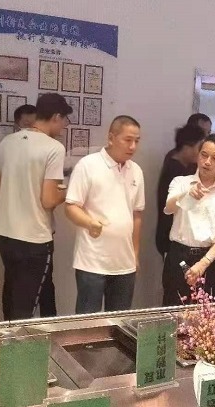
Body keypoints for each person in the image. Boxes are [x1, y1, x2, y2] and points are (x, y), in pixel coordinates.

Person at [0, 93, 71, 320]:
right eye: (64, 120)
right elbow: (48, 200)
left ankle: (8, 340)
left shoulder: (8, 142)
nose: (64, 126)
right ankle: (21, 343)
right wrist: (68, 190)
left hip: (6, 235)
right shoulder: (53, 148)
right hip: (34, 239)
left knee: (11, 295)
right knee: (26, 308)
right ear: (56, 117)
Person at [65, 115, 144, 314]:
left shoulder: (136, 170)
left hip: (124, 263)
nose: (133, 146)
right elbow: (71, 206)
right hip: (92, 261)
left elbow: (137, 214)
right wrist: (90, 223)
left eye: (137, 141)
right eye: (128, 140)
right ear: (111, 138)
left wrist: (135, 254)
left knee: (119, 322)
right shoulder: (88, 165)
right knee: (88, 321)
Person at [162, 134, 215, 306]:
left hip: (210, 258)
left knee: (207, 313)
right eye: (204, 155)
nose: (207, 162)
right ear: (198, 155)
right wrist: (185, 194)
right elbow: (168, 208)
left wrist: (204, 263)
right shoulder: (181, 182)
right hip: (179, 255)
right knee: (173, 307)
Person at [12, 103, 56, 318]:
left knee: (46, 285)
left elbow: (52, 198)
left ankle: (51, 330)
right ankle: (12, 329)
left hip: (43, 233)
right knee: (14, 283)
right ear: (16, 127)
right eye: (26, 126)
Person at [155, 125, 205, 257]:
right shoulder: (175, 170)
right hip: (171, 237)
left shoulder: (179, 162)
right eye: (199, 148)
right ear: (187, 146)